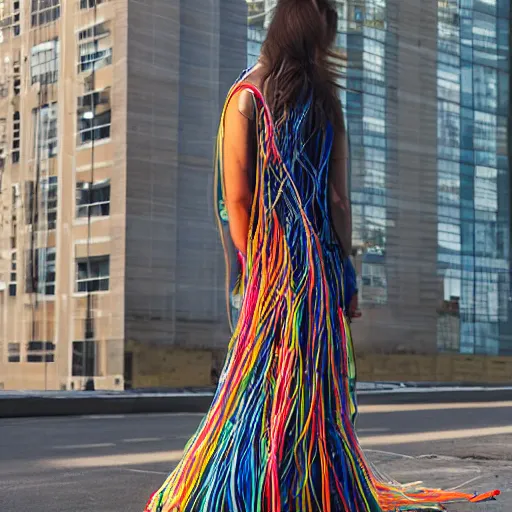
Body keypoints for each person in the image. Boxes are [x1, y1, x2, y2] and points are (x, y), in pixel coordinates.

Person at [144, 1, 499, 510]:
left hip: (272, 275)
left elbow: (237, 198)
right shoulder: (327, 103)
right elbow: (337, 201)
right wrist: (345, 273)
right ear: (317, 38)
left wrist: (254, 269)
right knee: (312, 387)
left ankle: (255, 486)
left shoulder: (244, 97)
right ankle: (315, 487)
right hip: (316, 277)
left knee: (261, 383)